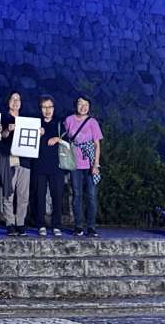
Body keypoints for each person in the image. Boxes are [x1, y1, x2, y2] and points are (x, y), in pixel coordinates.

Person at [63, 95, 103, 237]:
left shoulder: (92, 122)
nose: (83, 107)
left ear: (89, 107)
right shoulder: (69, 120)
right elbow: (65, 139)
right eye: (80, 103)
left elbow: (97, 145)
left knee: (91, 195)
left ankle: (91, 227)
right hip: (74, 163)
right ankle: (78, 226)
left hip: (90, 163)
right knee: (76, 195)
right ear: (76, 105)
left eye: (86, 104)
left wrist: (96, 164)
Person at [0, 89, 32, 236]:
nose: (16, 102)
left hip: (24, 160)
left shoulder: (27, 120)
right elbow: (1, 136)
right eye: (13, 99)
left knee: (23, 194)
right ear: (8, 102)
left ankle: (21, 222)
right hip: (8, 159)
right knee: (8, 193)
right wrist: (7, 130)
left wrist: (39, 131)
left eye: (18, 99)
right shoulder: (2, 118)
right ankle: (10, 223)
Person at [31, 95, 65, 237]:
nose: (47, 110)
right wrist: (36, 133)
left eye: (50, 107)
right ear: (40, 108)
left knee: (57, 196)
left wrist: (58, 138)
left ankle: (56, 225)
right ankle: (41, 224)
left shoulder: (59, 123)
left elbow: (68, 140)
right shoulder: (35, 123)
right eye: (44, 107)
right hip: (39, 165)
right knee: (39, 196)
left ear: (53, 108)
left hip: (57, 166)